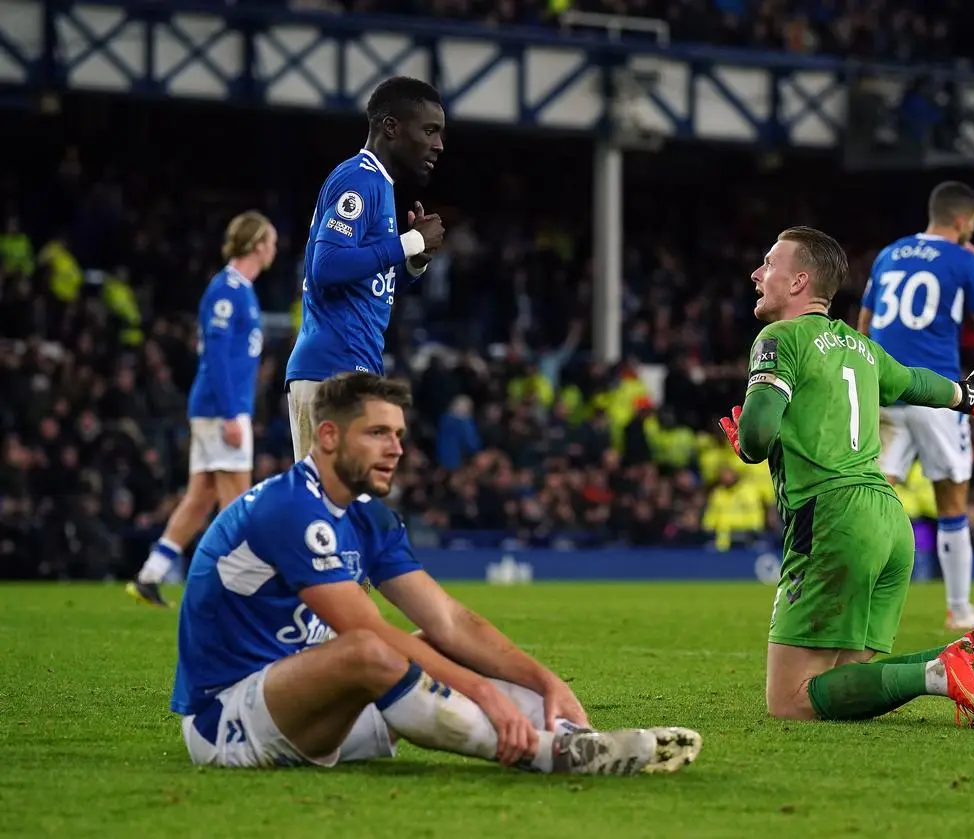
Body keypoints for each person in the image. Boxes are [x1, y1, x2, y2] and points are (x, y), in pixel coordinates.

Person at [171, 371, 702, 773]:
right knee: (370, 648)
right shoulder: (288, 508)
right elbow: (369, 632)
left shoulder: (366, 514)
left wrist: (547, 681)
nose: (396, 449)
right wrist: (485, 693)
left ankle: (573, 733)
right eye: (377, 433)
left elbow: (451, 621)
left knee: (437, 644)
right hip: (229, 722)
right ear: (328, 436)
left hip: (322, 707)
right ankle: (548, 754)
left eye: (399, 434)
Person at [718, 226, 974, 726]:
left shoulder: (778, 338)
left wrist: (753, 441)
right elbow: (912, 381)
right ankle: (962, 660)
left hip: (833, 519)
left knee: (790, 701)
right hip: (889, 522)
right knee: (838, 689)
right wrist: (968, 397)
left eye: (769, 263)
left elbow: (756, 434)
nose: (756, 273)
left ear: (798, 282)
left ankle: (941, 672)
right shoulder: (858, 347)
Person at [857, 181, 974, 631]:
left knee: (870, 496)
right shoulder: (963, 259)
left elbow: (863, 326)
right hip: (939, 393)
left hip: (885, 388)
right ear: (962, 221)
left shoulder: (888, 254)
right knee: (952, 496)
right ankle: (959, 609)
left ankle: (852, 596)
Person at [285, 76, 448, 461]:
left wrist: (414, 261)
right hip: (333, 368)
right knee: (328, 508)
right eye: (429, 130)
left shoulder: (380, 186)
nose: (439, 145)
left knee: (342, 508)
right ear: (391, 127)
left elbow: (368, 282)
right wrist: (411, 241)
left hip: (350, 367)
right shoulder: (361, 180)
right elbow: (326, 266)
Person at [127, 211, 276, 607]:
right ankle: (239, 587)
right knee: (236, 501)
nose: (275, 248)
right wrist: (231, 414)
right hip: (220, 410)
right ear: (258, 244)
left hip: (217, 408)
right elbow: (216, 356)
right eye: (272, 241)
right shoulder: (228, 289)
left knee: (200, 498)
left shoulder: (240, 289)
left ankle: (150, 575)